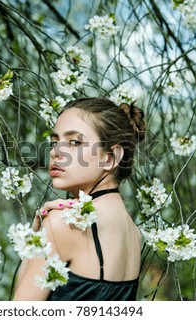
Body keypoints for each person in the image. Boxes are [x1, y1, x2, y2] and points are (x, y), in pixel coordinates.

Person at [13, 97, 146, 301]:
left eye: (74, 142)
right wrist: (36, 238)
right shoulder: (133, 234)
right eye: (54, 142)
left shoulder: (64, 224)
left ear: (110, 158)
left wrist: (41, 237)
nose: (56, 152)